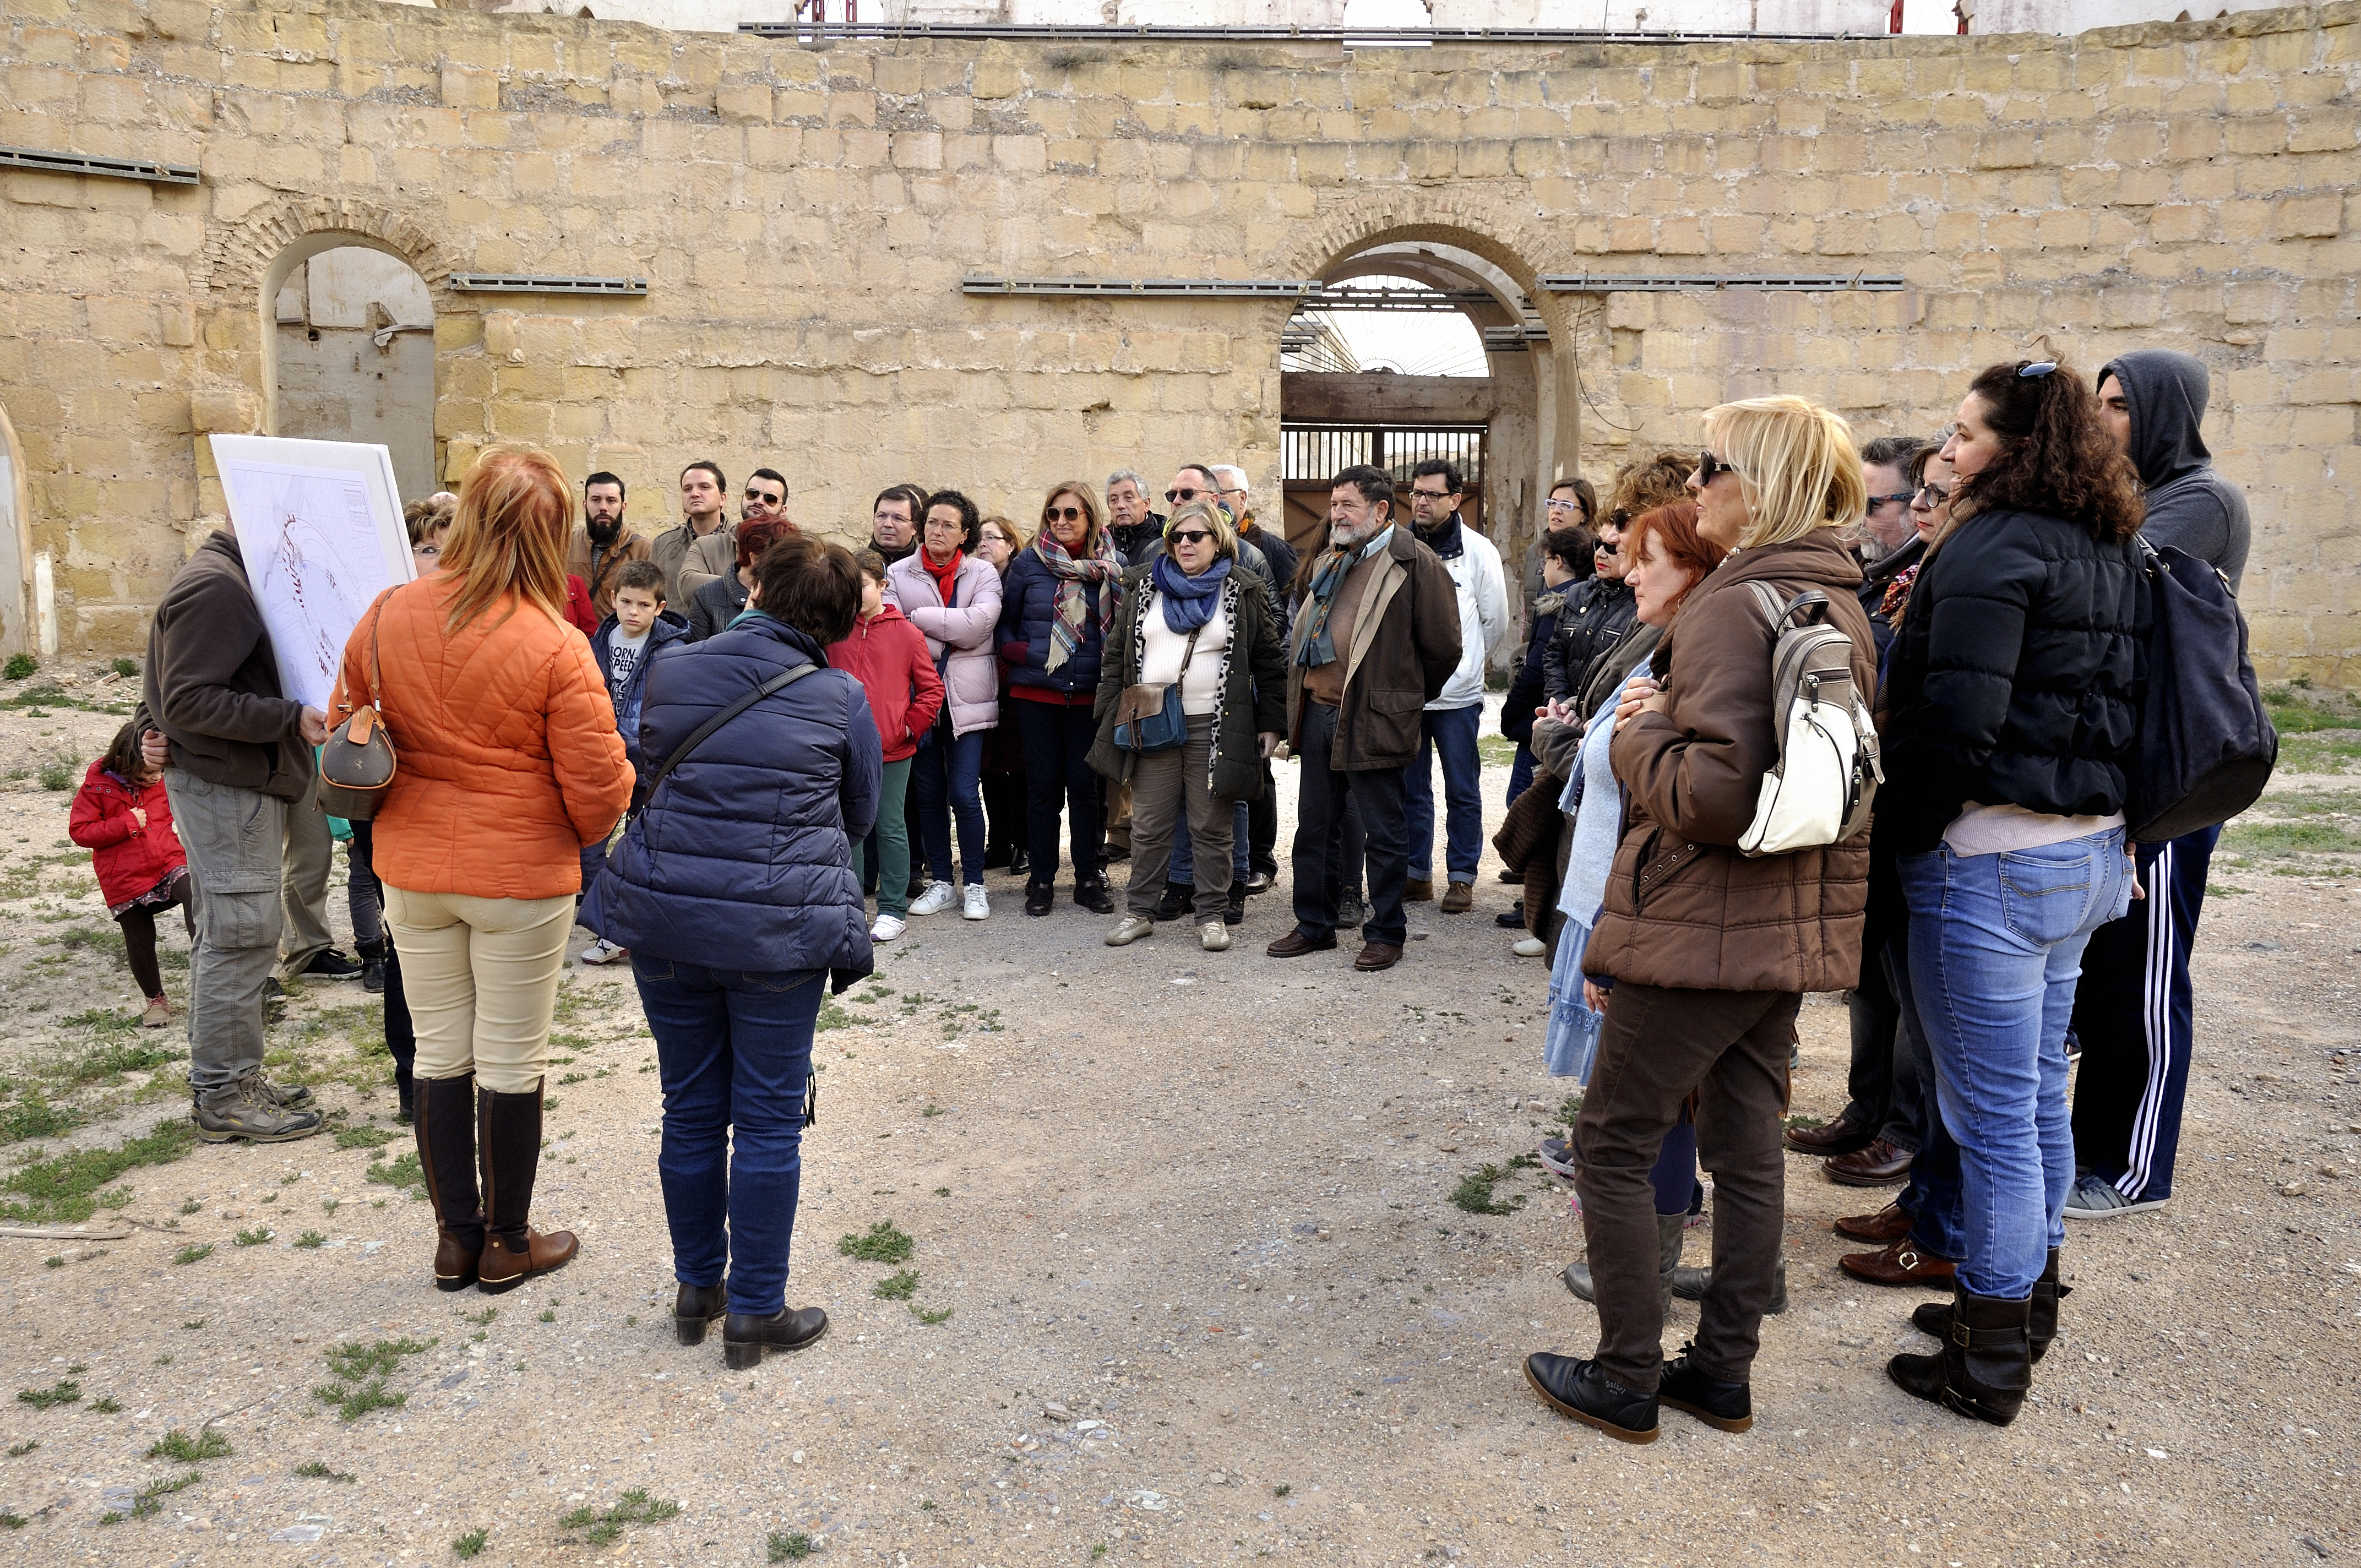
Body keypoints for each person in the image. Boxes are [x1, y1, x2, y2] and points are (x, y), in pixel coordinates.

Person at [1525, 395, 1875, 1444]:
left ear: (1756, 483)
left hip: (1700, 922)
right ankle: (1720, 1370)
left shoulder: (1733, 601)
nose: (1692, 488)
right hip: (1784, 919)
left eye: (1710, 467)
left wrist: (1637, 733)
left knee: (1614, 1142)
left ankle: (1626, 1373)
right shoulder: (1832, 596)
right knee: (1747, 1143)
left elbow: (1712, 796)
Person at [1876, 360, 2146, 1425]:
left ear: (2015, 448)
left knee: (1991, 1116)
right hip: (2078, 851)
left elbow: (1955, 726)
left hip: (1987, 856)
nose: (1945, 451)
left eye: (1963, 434)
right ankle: (2020, 1305)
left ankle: (1986, 1362)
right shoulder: (2109, 542)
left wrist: (1901, 839)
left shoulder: (1991, 544)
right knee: (2029, 1096)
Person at [341, 443, 636, 1294]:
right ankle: (507, 1242)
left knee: (438, 1053)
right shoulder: (555, 639)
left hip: (414, 864)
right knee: (511, 1058)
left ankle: (453, 1240)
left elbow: (345, 726)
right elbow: (598, 791)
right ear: (550, 537)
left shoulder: (389, 611)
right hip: (518, 873)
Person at [592, 533, 880, 1367]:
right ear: (830, 622)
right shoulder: (839, 696)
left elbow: (646, 769)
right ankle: (756, 1308)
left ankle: (698, 1288)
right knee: (764, 1122)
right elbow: (855, 817)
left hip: (672, 919)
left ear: (756, 588)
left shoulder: (674, 667)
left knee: (689, 1108)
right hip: (777, 930)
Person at [2065, 350, 2251, 1224]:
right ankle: (2085, 1150)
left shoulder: (2202, 501)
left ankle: (2136, 1170)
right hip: (2122, 767)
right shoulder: (2135, 494)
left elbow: (2119, 577)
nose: (2102, 422)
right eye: (2097, 406)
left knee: (2144, 975)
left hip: (2171, 780)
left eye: (2118, 407)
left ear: (2164, 413)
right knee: (2102, 974)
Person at [1539, 502, 1733, 1305]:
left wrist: (1619, 935)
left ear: (1692, 567)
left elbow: (1666, 807)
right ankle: (1672, 1260)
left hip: (1651, 907)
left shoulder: (1698, 658)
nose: (1628, 567)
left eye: (1648, 556)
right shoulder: (1663, 642)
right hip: (1619, 898)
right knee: (1661, 1090)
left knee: (1655, 1094)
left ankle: (1641, 1285)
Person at [137, 516, 330, 1142]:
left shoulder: (229, 575)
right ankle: (224, 1093)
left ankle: (232, 1078)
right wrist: (290, 716)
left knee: (231, 932)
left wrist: (149, 726)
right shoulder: (220, 586)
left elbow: (167, 690)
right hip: (227, 786)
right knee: (241, 934)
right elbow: (189, 697)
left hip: (234, 781)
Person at [1786, 432, 1936, 1190]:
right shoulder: (1878, 577)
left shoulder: (1928, 577)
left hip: (1909, 802)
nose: (1860, 521)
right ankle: (1865, 1106)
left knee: (1910, 981)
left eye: (1872, 504)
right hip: (1866, 809)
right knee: (1869, 972)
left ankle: (1906, 1129)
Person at [1268, 464, 1461, 974]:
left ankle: (1385, 932)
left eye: (1347, 505)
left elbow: (1444, 649)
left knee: (1385, 830)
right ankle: (1315, 925)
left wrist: (1401, 700)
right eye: (1333, 505)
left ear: (1380, 510)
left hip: (1376, 717)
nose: (1336, 514)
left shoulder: (1415, 563)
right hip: (1319, 713)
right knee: (1315, 826)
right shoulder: (1333, 560)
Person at [1089, 500, 1286, 950]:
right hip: (1153, 724)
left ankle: (1212, 915)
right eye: (1176, 536)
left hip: (1215, 725)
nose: (1183, 544)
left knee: (1211, 826)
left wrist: (1273, 724)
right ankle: (1139, 912)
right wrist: (1105, 713)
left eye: (1195, 536)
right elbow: (1118, 654)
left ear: (1218, 540)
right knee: (1151, 825)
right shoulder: (1144, 586)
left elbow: (1269, 662)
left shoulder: (1241, 589)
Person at [999, 482, 1122, 918]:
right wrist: (1027, 655)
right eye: (1053, 514)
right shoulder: (1029, 563)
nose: (1062, 522)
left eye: (1072, 513)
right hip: (1039, 694)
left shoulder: (1112, 565)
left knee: (1086, 790)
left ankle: (1089, 877)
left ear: (1090, 516)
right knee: (1043, 790)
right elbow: (1005, 625)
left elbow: (1123, 630)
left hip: (1091, 695)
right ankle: (1043, 879)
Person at [1401, 459, 1508, 913]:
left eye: (1431, 495)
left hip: (1458, 698)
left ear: (1455, 500)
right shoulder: (1396, 546)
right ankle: (1416, 874)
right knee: (1412, 789)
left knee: (1462, 789)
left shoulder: (1478, 551)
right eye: (1416, 493)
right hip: (1406, 694)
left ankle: (1462, 876)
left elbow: (1495, 620)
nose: (1421, 502)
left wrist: (1465, 666)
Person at [891, 488, 1003, 923]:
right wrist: (946, 629)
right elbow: (894, 633)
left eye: (948, 525)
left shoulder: (983, 573)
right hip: (918, 699)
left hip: (967, 700)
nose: (938, 531)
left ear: (965, 534)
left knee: (964, 793)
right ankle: (942, 882)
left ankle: (974, 883)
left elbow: (979, 627)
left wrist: (918, 619)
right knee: (929, 794)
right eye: (932, 523)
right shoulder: (898, 572)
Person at [576, 560, 690, 966]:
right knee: (591, 847)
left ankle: (644, 929)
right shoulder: (597, 642)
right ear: (613, 600)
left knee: (647, 846)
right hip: (603, 755)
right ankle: (611, 926)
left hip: (652, 760)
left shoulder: (672, 648)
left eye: (643, 605)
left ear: (660, 607)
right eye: (626, 602)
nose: (633, 612)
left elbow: (677, 707)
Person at [831, 550, 944, 944]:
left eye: (860, 584)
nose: (853, 593)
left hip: (892, 749)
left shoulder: (907, 634)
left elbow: (931, 690)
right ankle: (853, 904)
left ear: (882, 585)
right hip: (841, 746)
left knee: (889, 825)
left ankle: (893, 909)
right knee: (849, 828)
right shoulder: (833, 631)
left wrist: (908, 729)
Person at [73, 722, 194, 1028]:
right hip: (123, 875)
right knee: (139, 938)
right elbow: (80, 831)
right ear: (125, 766)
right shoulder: (96, 786)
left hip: (167, 860)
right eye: (146, 776)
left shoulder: (165, 777)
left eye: (158, 773)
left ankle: (210, 975)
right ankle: (156, 1000)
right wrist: (126, 823)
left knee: (199, 897)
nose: (155, 779)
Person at [1214, 465, 1294, 895]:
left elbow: (1282, 616)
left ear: (1242, 498)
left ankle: (1259, 860)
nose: (1215, 500)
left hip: (1251, 681)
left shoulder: (1266, 551)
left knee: (1255, 776)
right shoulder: (1188, 544)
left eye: (1222, 493)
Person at [975, 516, 1032, 879]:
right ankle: (999, 842)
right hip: (981, 684)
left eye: (992, 537)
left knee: (1020, 770)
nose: (984, 544)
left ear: (1011, 544)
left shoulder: (1021, 580)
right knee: (989, 767)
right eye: (979, 538)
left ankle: (1025, 843)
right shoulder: (973, 580)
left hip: (1015, 682)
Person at [688, 517, 790, 644]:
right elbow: (695, 654)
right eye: (783, 559)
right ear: (755, 558)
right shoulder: (707, 596)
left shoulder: (793, 594)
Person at [566, 471, 651, 621]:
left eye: (611, 501)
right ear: (585, 505)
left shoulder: (644, 551)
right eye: (596, 500)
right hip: (575, 639)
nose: (603, 507)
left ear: (623, 507)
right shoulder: (566, 546)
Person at [652, 460, 733, 609]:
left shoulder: (739, 542)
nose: (695, 494)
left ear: (723, 498)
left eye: (704, 487)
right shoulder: (663, 544)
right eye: (687, 489)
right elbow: (650, 597)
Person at [1105, 470, 1165, 565]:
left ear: (1146, 504)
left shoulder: (1166, 539)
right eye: (1114, 500)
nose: (1120, 505)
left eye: (1128, 498)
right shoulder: (1100, 541)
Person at [871, 483, 926, 569]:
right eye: (882, 516)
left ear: (915, 527)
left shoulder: (927, 569)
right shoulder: (853, 569)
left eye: (898, 519)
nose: (888, 524)